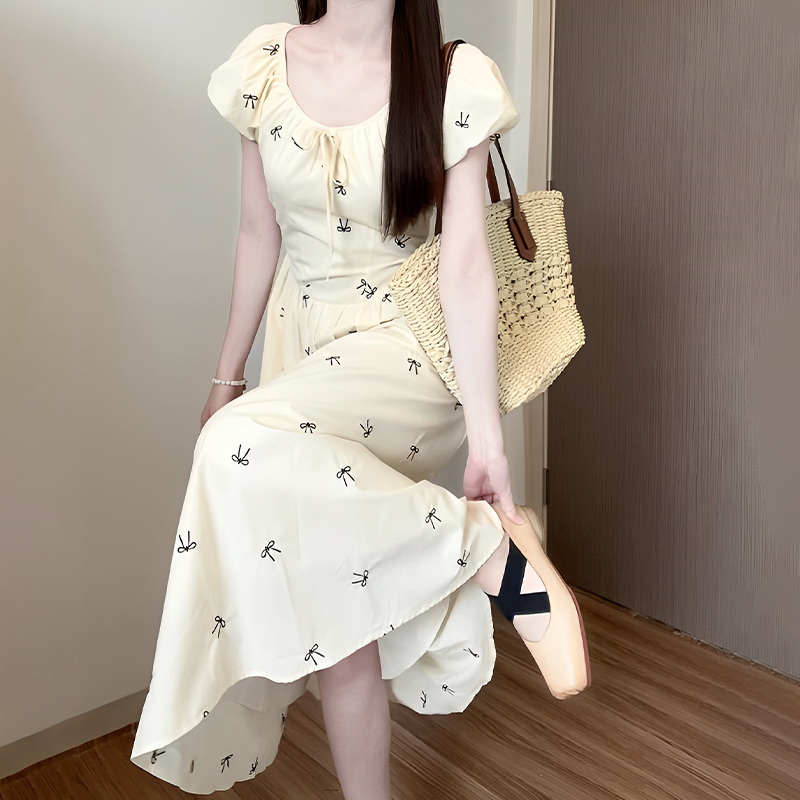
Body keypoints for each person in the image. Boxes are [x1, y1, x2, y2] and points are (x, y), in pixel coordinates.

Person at [130, 1, 589, 797]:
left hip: (408, 345)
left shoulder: (452, 78)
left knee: (233, 450)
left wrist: (488, 445)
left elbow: (465, 268)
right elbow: (258, 235)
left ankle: (486, 548)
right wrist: (227, 378)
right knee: (340, 612)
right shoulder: (265, 64)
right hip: (303, 353)